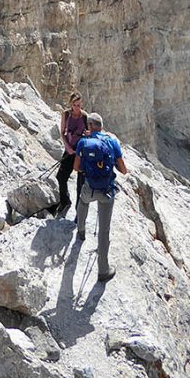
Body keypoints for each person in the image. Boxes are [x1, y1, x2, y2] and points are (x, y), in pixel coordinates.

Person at [74, 113, 128, 281]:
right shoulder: (112, 142)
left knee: (83, 202)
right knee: (104, 231)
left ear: (90, 126)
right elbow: (124, 170)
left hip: (89, 188)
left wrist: (90, 171)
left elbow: (76, 168)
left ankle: (81, 231)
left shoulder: (83, 142)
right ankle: (103, 270)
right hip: (106, 191)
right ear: (101, 126)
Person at [56, 92, 87, 213]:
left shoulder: (85, 116)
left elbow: (89, 133)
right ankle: (65, 201)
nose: (77, 108)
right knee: (60, 177)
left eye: (79, 105)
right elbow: (62, 132)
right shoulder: (66, 114)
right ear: (71, 104)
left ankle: (78, 210)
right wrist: (67, 147)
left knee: (81, 182)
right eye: (75, 105)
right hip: (69, 150)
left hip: (81, 152)